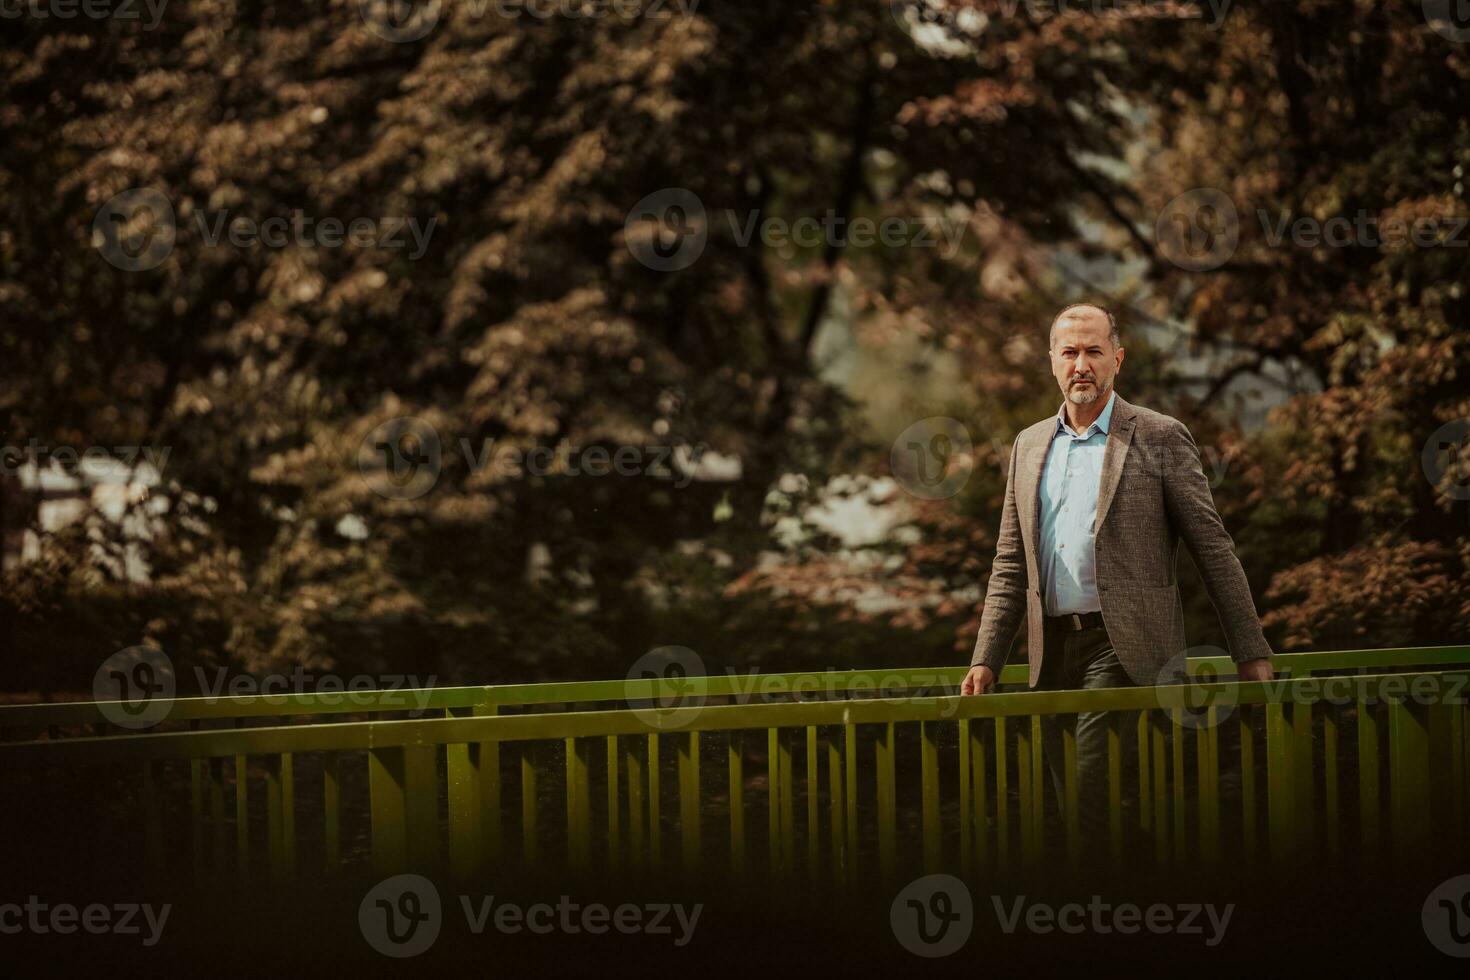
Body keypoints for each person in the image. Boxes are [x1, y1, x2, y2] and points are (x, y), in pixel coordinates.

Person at [960, 303, 1274, 845]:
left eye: (1093, 352)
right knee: (1077, 808)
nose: (1081, 365)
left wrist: (1250, 649)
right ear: (1052, 362)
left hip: (1121, 645)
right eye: (1070, 353)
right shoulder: (1028, 445)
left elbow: (1213, 549)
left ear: (1117, 359)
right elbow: (1010, 562)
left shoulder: (1159, 436)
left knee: (1088, 794)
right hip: (1050, 651)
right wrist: (986, 657)